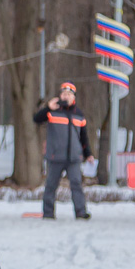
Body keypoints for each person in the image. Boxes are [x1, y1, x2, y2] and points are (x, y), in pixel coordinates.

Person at [34, 82, 94, 220]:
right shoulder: (52, 112)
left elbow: (83, 137)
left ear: (74, 97)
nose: (65, 96)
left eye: (69, 94)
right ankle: (48, 213)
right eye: (63, 93)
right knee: (51, 185)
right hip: (55, 156)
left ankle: (80, 212)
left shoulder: (79, 115)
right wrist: (47, 108)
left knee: (76, 184)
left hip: (74, 158)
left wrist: (88, 154)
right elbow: (37, 119)